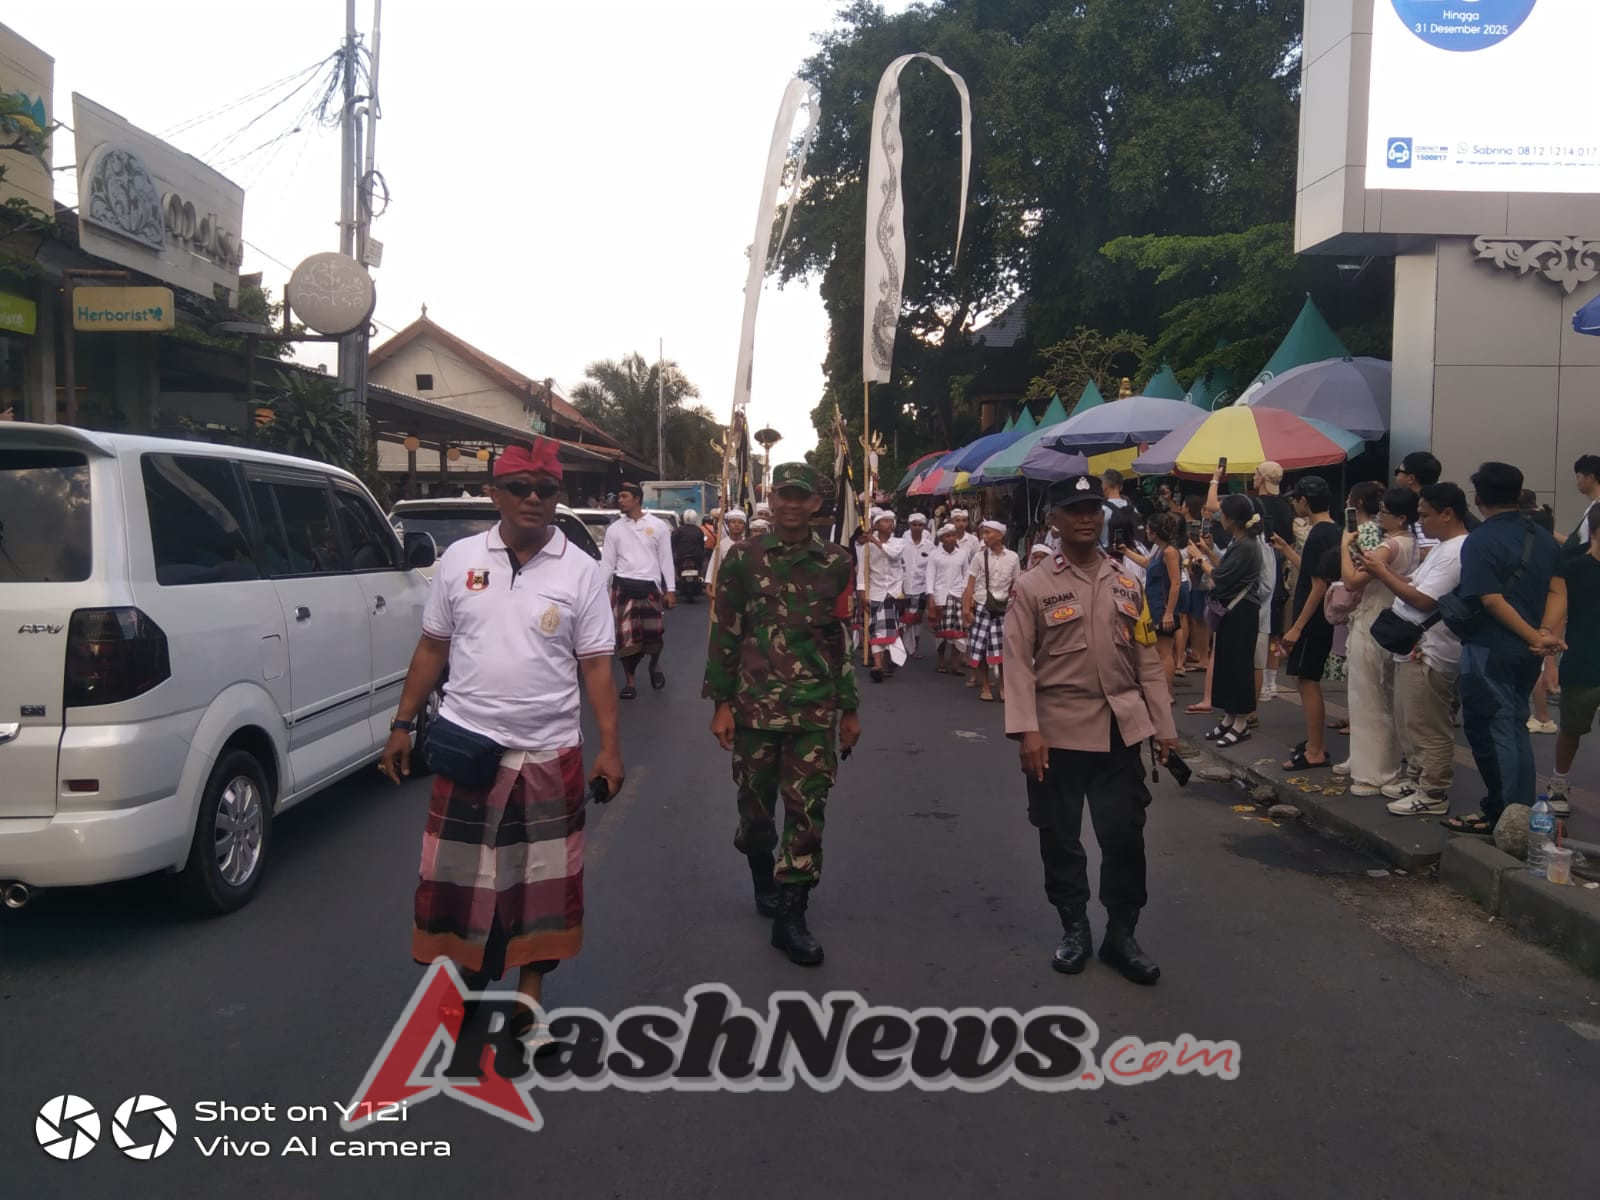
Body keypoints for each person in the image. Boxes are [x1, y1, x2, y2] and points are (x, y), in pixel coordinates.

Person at [378, 439, 624, 1039]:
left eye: (547, 489)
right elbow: (433, 647)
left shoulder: (581, 571)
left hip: (549, 753)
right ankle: (465, 990)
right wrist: (402, 725)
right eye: (520, 488)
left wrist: (611, 749)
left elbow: (596, 665)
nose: (534, 498)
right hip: (470, 751)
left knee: (541, 889)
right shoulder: (460, 560)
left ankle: (527, 1007)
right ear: (495, 494)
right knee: (461, 884)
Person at [1004, 473, 1177, 984]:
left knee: (1124, 837)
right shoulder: (1033, 585)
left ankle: (1121, 935)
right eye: (1074, 510)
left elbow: (1147, 660)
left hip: (1120, 730)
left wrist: (1164, 726)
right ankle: (1074, 927)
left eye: (1093, 509)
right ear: (1053, 519)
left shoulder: (1126, 582)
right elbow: (1017, 663)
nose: (1085, 518)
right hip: (1056, 733)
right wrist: (1027, 731)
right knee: (1060, 837)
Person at [705, 463, 861, 965]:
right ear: (770, 500)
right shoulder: (743, 558)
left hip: (814, 707)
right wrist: (721, 704)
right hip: (754, 707)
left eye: (801, 496)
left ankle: (792, 914)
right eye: (783, 495)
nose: (792, 504)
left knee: (807, 810)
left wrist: (849, 707)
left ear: (815, 503)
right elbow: (725, 631)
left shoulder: (836, 561)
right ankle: (762, 879)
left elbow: (840, 637)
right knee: (754, 810)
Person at [1442, 462, 1562, 835]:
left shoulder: (1480, 540)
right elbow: (1559, 590)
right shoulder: (1542, 537)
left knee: (1494, 730)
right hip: (1529, 653)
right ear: (1519, 493)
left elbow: (1491, 600)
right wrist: (1542, 634)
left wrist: (1531, 636)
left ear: (1478, 498)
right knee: (1514, 725)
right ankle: (1519, 811)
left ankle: (1505, 815)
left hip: (1489, 648)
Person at [1357, 483, 1469, 816]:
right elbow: (1414, 584)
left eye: (1424, 515)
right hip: (1414, 645)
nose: (1420, 522)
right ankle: (1418, 778)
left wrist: (1381, 572)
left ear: (1447, 514)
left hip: (1430, 649)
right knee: (1409, 720)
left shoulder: (1458, 550)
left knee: (1426, 724)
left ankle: (1433, 791)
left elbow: (1422, 599)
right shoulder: (1443, 547)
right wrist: (1383, 571)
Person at [1338, 487, 1419, 795]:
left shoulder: (1388, 546)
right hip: (1393, 619)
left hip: (1373, 620)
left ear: (1401, 517)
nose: (1380, 516)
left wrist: (1344, 546)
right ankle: (1375, 766)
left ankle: (1374, 773)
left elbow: (1351, 581)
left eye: (1385, 512)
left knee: (1368, 699)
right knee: (1385, 698)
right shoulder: (1412, 543)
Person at [1537, 513, 1600, 817]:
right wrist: (1550, 663)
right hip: (1582, 661)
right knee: (1572, 728)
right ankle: (1559, 782)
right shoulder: (1573, 570)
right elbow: (1558, 617)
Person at [1189, 496, 1264, 748]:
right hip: (1233, 611)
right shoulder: (1240, 542)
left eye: (1222, 514)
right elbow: (1227, 569)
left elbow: (1221, 577)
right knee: (1227, 664)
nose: (1219, 517)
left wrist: (1200, 558)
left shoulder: (1247, 545)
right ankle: (1230, 717)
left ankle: (1241, 722)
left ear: (1231, 518)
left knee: (1240, 666)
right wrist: (1209, 552)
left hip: (1242, 611)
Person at [1276, 476, 1341, 770]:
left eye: (1295, 499)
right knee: (1304, 678)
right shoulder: (1334, 530)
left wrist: (1297, 627)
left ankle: (1315, 749)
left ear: (1304, 501)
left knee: (1307, 680)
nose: (1293, 504)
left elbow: (1318, 585)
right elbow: (1315, 571)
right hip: (1322, 617)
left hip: (1312, 619)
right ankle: (1314, 743)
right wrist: (1287, 551)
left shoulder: (1317, 534)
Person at [600, 481, 676, 699]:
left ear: (637, 499)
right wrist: (599, 593)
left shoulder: (658, 526)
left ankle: (654, 665)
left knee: (654, 635)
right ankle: (630, 682)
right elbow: (607, 564)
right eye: (619, 497)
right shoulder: (614, 529)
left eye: (624, 496)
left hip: (650, 587)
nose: (620, 500)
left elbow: (666, 558)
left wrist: (670, 589)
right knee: (626, 639)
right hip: (623, 587)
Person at [963, 519, 1020, 703]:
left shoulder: (1013, 557)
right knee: (981, 647)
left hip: (1004, 608)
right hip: (982, 606)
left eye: (988, 533)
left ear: (1000, 535)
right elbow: (970, 585)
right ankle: (986, 685)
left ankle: (1003, 685)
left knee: (1003, 650)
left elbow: (1016, 585)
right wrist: (966, 609)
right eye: (983, 533)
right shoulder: (979, 557)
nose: (984, 536)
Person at [1253, 462, 1295, 702]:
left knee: (1260, 628)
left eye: (1256, 473)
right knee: (1276, 630)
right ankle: (1271, 681)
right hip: (1281, 567)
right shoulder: (1286, 506)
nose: (1254, 477)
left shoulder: (1255, 505)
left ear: (1263, 478)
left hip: (1261, 567)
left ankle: (1260, 681)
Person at [1130, 512, 1184, 685]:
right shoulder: (1159, 550)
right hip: (1154, 604)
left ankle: (1167, 691)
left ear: (1155, 532)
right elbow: (1147, 563)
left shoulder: (1169, 552)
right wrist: (1125, 551)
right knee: (1157, 650)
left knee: (1164, 651)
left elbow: (1176, 583)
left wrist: (1169, 612)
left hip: (1163, 606)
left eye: (1148, 529)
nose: (1146, 531)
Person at [856, 508, 906, 683]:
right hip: (875, 591)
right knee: (876, 629)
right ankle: (877, 665)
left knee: (891, 628)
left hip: (893, 591)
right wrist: (862, 592)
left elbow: (893, 554)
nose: (889, 524)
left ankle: (886, 662)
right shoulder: (866, 546)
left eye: (891, 521)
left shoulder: (899, 542)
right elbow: (862, 571)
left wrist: (874, 541)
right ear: (877, 525)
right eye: (885, 521)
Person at [928, 523, 971, 674]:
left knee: (958, 632)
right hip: (940, 596)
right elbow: (930, 576)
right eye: (947, 536)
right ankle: (941, 660)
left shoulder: (962, 554)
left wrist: (966, 593)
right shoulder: (934, 554)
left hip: (957, 595)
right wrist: (930, 596)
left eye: (953, 535)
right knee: (941, 632)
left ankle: (955, 662)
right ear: (941, 539)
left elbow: (966, 574)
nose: (951, 538)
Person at [900, 512, 934, 659]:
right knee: (904, 619)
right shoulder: (902, 544)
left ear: (924, 527)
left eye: (920, 525)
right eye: (914, 524)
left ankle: (914, 647)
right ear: (910, 526)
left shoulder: (929, 546)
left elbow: (932, 568)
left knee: (916, 620)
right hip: (903, 586)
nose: (917, 527)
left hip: (921, 587)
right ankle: (904, 646)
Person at [1564, 454, 1600, 559]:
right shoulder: (1592, 507)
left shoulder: (1596, 510)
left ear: (1591, 477)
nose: (1577, 483)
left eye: (1578, 477)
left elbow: (1584, 545)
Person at [1100, 469, 1137, 550]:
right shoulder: (1132, 508)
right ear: (1121, 487)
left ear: (1105, 486)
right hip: (1132, 554)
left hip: (1109, 553)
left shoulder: (1102, 510)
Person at [672, 508, 707, 583]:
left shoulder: (679, 530)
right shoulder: (699, 530)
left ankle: (676, 577)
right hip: (696, 557)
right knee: (703, 564)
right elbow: (702, 545)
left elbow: (673, 544)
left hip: (681, 556)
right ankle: (701, 576)